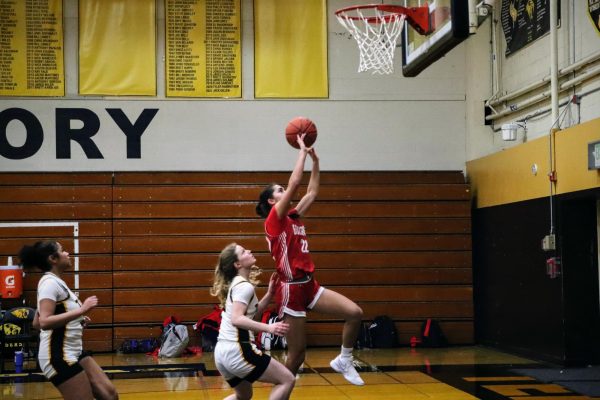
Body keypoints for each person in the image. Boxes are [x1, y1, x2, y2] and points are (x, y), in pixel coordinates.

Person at [255, 134, 365, 385]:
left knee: (354, 313)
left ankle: (344, 359)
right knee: (296, 356)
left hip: (309, 285)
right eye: (279, 191)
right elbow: (295, 183)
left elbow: (312, 191)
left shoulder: (293, 216)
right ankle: (280, 393)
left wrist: (316, 161)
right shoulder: (274, 219)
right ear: (272, 201)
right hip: (291, 289)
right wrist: (302, 151)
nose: (286, 191)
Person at [19, 241, 118, 400]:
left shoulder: (56, 282)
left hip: (75, 352)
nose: (67, 253)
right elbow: (44, 322)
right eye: (62, 251)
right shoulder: (49, 283)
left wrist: (77, 319)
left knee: (109, 395)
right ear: (53, 258)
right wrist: (81, 310)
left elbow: (36, 322)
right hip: (57, 356)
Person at [210, 243, 295, 400]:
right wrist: (269, 328)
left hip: (222, 352)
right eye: (243, 252)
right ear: (238, 264)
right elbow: (237, 319)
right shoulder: (244, 287)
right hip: (238, 351)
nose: (249, 251)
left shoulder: (236, 283)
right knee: (287, 379)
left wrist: (269, 294)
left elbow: (250, 314)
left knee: (244, 395)